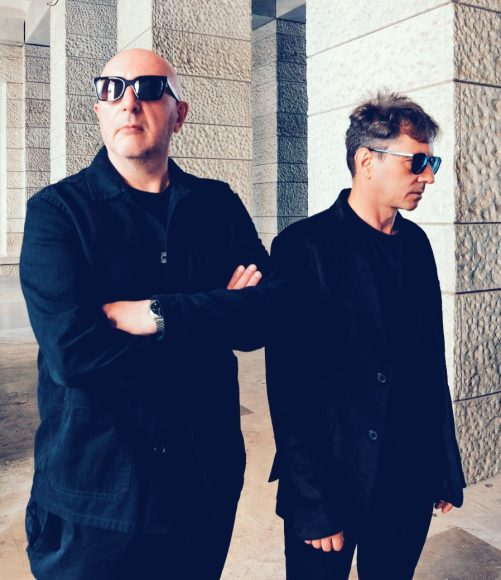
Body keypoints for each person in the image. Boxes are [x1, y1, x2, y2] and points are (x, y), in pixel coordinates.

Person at [20, 48, 277, 579]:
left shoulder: (217, 205)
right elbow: (73, 354)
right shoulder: (56, 213)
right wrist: (215, 314)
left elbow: (266, 314)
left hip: (201, 481)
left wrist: (158, 314)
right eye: (112, 89)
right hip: (93, 496)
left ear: (179, 113)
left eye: (150, 88)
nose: (129, 102)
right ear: (98, 109)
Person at [266, 92, 466, 579]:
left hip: (408, 475)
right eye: (417, 161)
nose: (429, 176)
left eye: (431, 162)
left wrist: (443, 461)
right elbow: (289, 387)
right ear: (366, 161)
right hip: (333, 477)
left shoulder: (417, 244)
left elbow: (430, 364)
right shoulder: (302, 247)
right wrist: (312, 500)